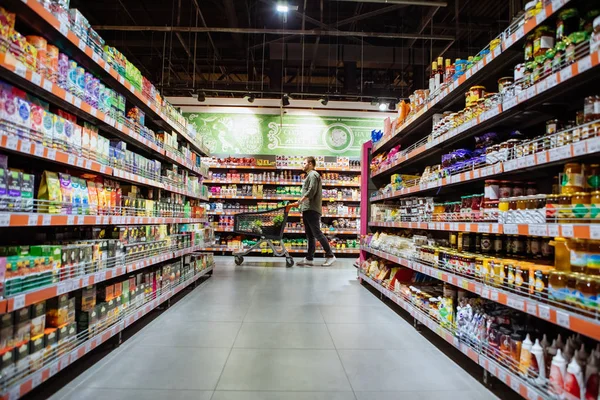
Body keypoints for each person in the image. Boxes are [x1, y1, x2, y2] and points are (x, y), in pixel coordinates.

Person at [292, 156, 336, 267]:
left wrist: (300, 201)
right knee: (310, 235)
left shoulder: (313, 174)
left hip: (312, 209)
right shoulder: (309, 175)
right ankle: (309, 258)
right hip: (307, 209)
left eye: (304, 163)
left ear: (310, 164)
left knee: (317, 233)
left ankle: (330, 255)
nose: (302, 165)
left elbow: (312, 190)